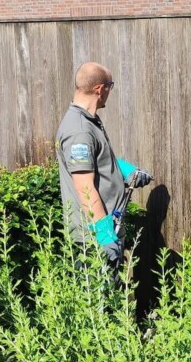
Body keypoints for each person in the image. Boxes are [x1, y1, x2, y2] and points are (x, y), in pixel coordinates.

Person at [55, 62, 150, 267]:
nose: (110, 91)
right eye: (110, 86)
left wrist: (127, 171)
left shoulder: (90, 121)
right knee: (99, 298)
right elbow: (84, 186)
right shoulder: (79, 130)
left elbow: (97, 160)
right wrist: (104, 234)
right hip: (92, 240)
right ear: (99, 89)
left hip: (106, 231)